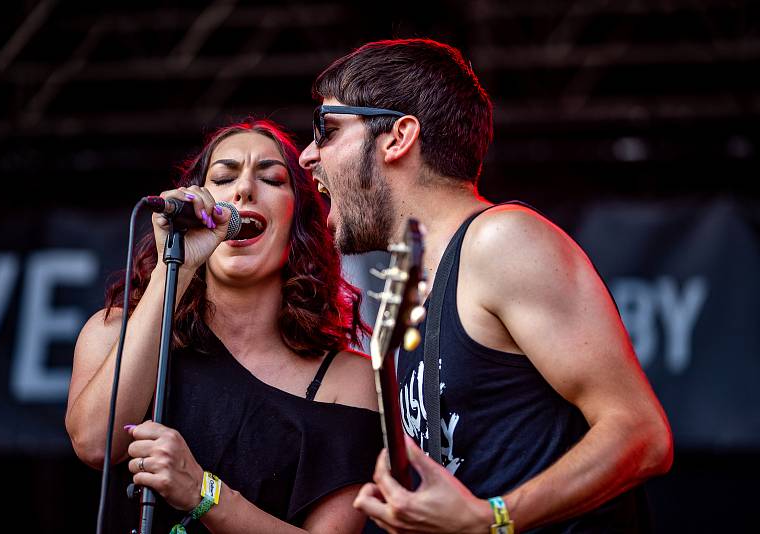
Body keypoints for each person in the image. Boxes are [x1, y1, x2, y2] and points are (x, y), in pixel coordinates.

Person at [299, 39, 674, 533]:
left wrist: (490, 518)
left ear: (397, 137)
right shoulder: (417, 289)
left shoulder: (501, 240)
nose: (307, 156)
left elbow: (642, 434)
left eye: (326, 130)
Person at [66, 119, 382, 533]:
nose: (244, 189)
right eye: (223, 176)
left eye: (270, 178)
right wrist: (172, 268)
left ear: (298, 219)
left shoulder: (348, 378)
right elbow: (95, 443)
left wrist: (204, 493)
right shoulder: (115, 332)